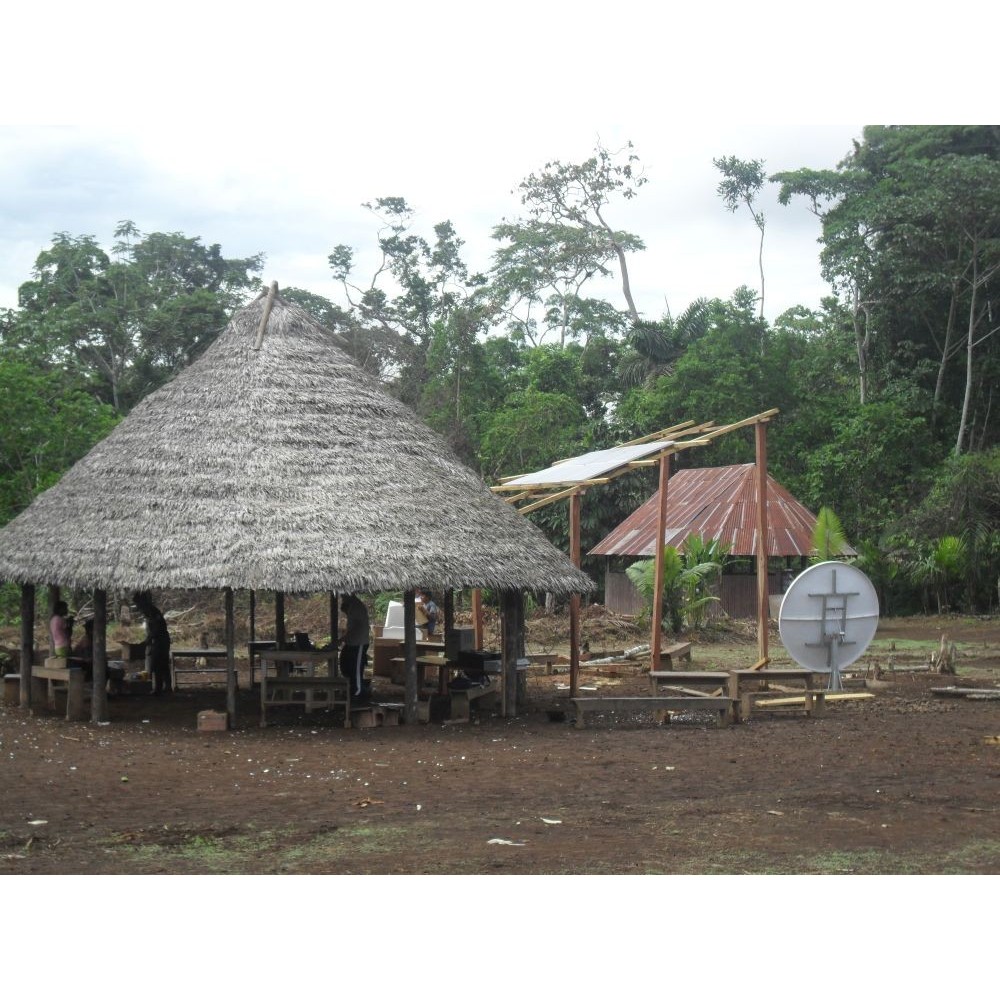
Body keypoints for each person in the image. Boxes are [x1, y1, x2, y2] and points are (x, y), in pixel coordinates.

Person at [133, 591, 171, 695]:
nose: (138, 607)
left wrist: (148, 639)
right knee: (160, 664)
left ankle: (162, 688)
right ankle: (164, 688)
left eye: (139, 604)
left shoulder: (152, 611)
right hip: (158, 640)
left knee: (159, 664)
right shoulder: (148, 611)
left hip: (161, 641)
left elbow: (157, 629)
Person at [339, 593, 371, 702]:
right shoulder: (352, 605)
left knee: (356, 669)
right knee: (346, 664)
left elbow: (357, 626)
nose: (341, 598)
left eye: (343, 596)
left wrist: (343, 638)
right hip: (352, 641)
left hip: (359, 642)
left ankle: (358, 692)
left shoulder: (356, 606)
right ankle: (356, 687)